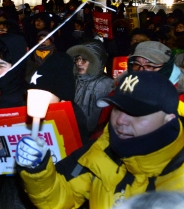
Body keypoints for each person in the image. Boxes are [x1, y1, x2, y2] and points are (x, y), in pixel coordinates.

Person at [16, 71, 184, 208]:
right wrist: (38, 170)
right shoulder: (104, 148)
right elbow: (62, 200)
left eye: (135, 112)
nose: (120, 120)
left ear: (168, 119)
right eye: (117, 109)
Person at [66, 40, 114, 136]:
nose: (79, 63)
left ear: (95, 61)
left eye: (84, 59)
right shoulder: (74, 79)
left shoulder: (106, 84)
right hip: (73, 132)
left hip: (94, 136)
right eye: (77, 59)